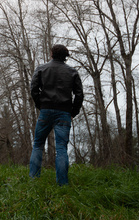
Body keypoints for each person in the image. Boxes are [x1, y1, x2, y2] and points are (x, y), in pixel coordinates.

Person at [29, 44, 84, 185]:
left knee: (38, 145)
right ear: (65, 56)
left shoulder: (41, 69)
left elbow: (33, 88)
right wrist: (73, 112)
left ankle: (34, 180)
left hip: (46, 111)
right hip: (64, 113)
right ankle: (62, 185)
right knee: (61, 148)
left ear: (52, 54)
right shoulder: (72, 72)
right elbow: (79, 95)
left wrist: (40, 105)